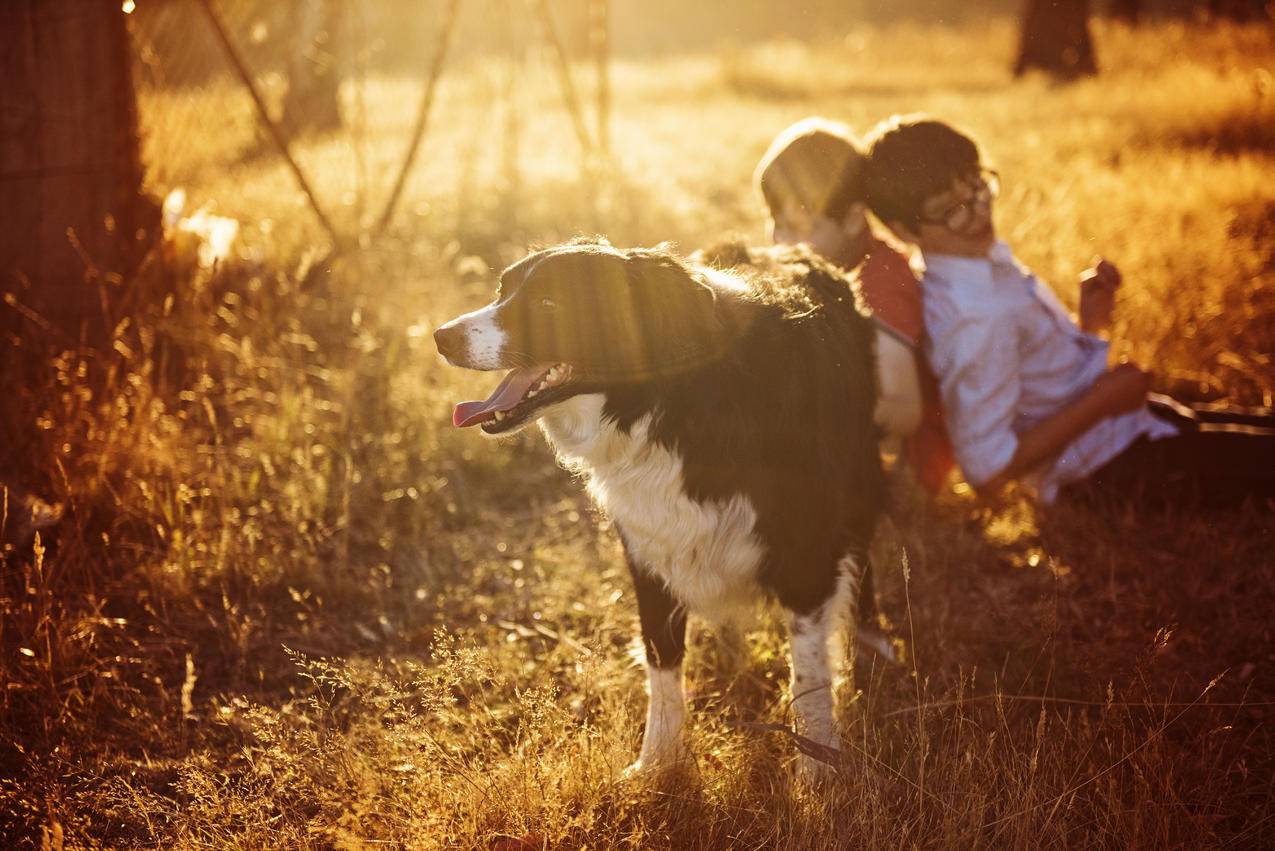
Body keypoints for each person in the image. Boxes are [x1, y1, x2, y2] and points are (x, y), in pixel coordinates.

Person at [858, 114, 1275, 509]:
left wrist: (1090, 324)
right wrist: (1103, 401)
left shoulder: (979, 267)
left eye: (978, 188)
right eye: (951, 209)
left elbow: (1040, 382)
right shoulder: (973, 316)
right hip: (1110, 468)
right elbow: (987, 469)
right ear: (903, 229)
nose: (979, 212)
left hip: (1129, 426)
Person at [754, 117, 955, 493]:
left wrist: (814, 418)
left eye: (799, 228)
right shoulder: (825, 267)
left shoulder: (880, 282)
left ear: (852, 219)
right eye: (775, 224)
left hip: (907, 467)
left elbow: (904, 409)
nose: (782, 242)